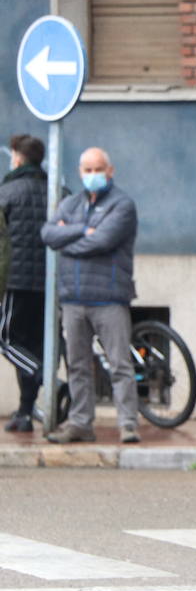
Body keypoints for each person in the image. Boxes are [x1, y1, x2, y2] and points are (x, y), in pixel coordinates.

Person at [40, 148, 140, 444]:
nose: (92, 175)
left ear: (110, 171)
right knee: (77, 366)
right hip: (73, 298)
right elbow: (48, 234)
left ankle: (128, 424)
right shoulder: (71, 204)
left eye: (98, 169)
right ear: (80, 171)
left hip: (109, 298)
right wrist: (84, 230)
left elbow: (103, 240)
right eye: (87, 169)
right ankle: (80, 423)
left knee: (120, 364)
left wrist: (68, 237)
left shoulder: (122, 205)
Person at [0, 135, 48, 434]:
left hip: (15, 282)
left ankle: (42, 375)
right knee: (29, 345)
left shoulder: (7, 192)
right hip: (48, 284)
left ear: (18, 158)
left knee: (7, 341)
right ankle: (25, 413)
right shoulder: (58, 190)